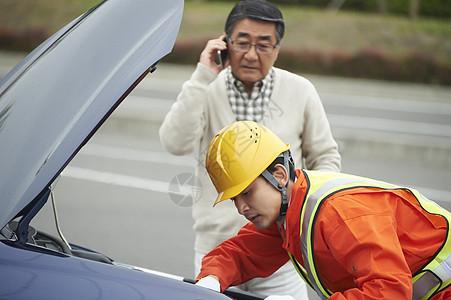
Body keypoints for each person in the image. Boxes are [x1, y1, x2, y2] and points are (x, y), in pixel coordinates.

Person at [159, 0, 341, 298]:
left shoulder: (300, 90)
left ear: (278, 49)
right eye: (242, 43)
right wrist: (203, 75)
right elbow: (174, 142)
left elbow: (325, 158)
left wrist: (303, 216)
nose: (252, 55)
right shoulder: (206, 88)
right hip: (215, 248)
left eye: (264, 45)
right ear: (224, 43)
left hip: (281, 252)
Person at [195, 120, 451, 300]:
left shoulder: (337, 213)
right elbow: (240, 253)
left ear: (280, 175)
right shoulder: (289, 213)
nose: (241, 207)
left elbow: (389, 291)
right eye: (233, 199)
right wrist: (210, 280)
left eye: (247, 193)